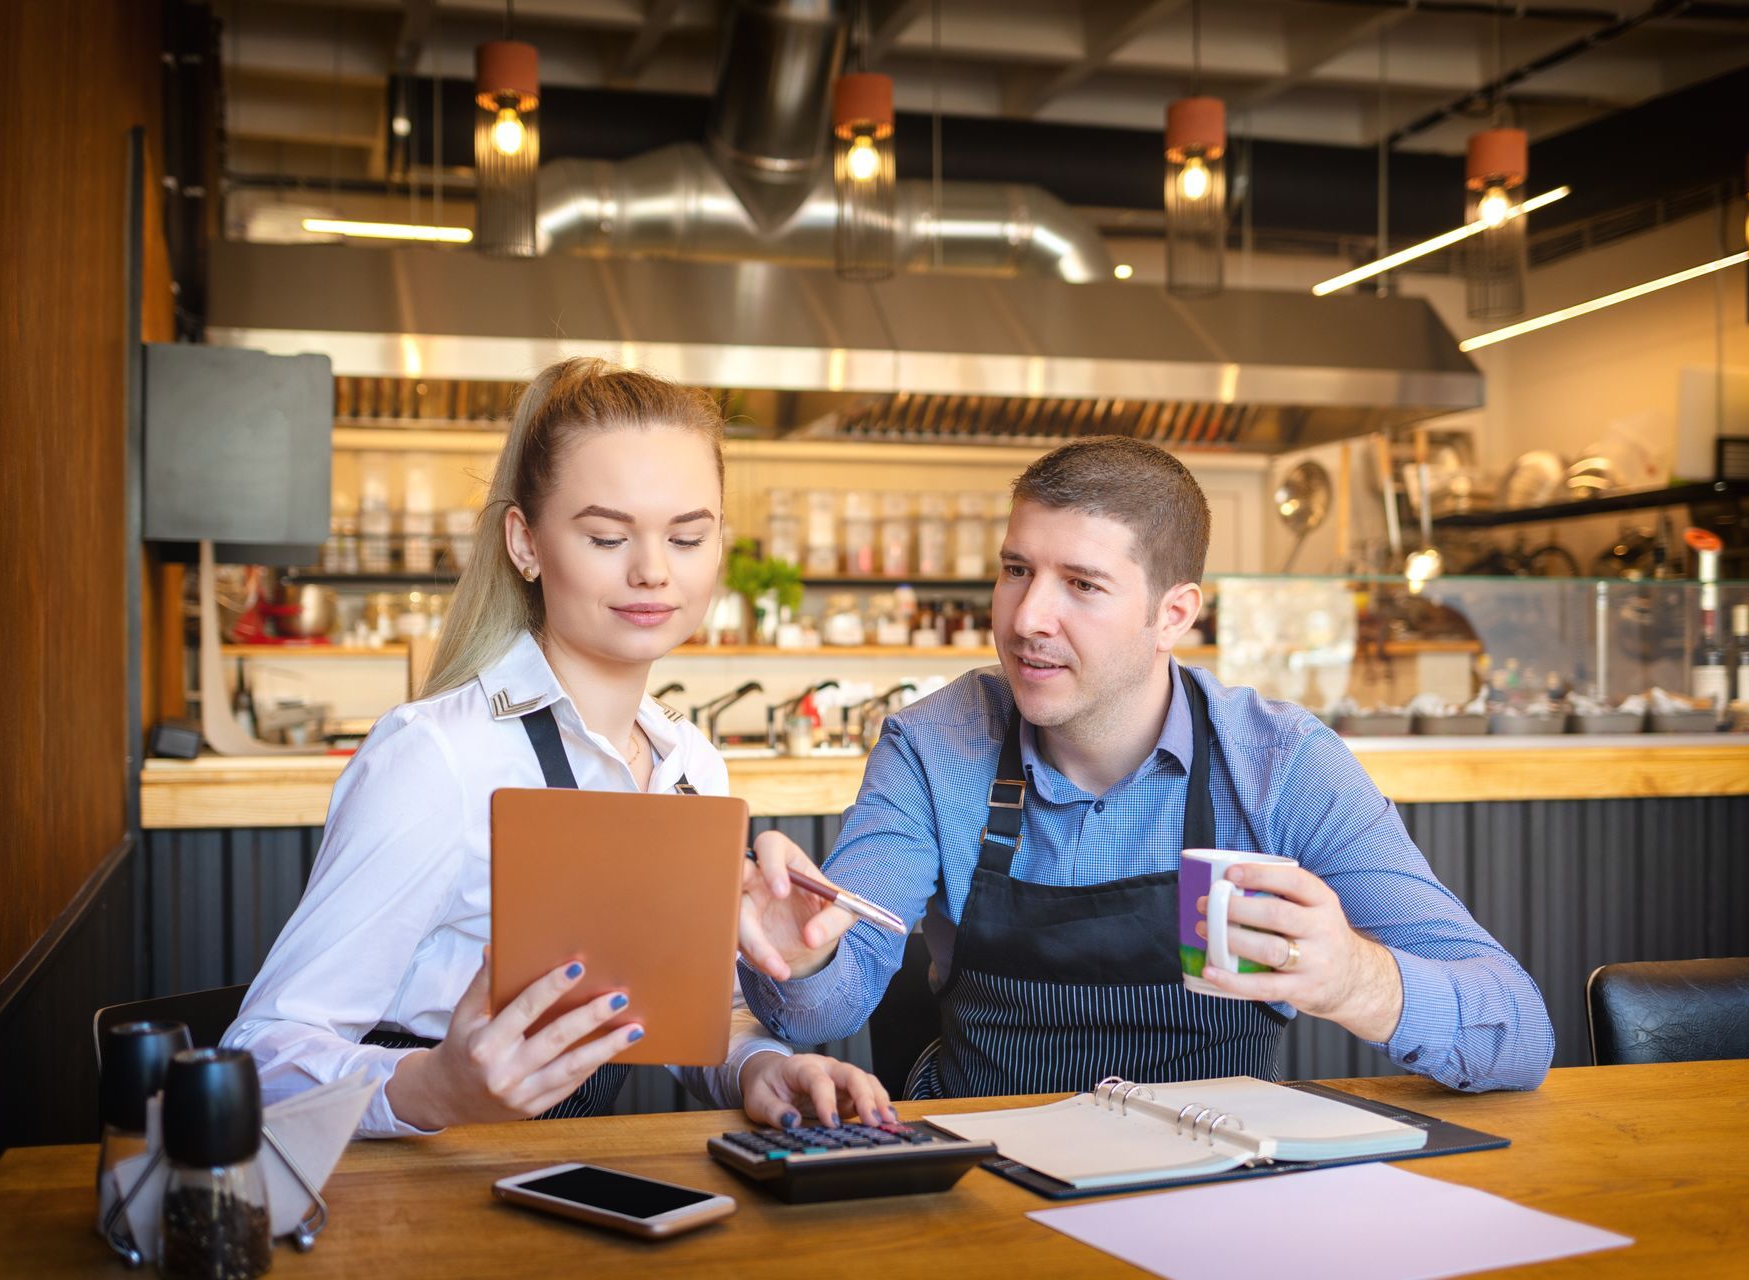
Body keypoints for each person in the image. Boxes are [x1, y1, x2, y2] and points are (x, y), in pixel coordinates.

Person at [740, 436, 1553, 1098]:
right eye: (1015, 570)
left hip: (1217, 1190)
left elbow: (1518, 1029)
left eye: (1081, 584)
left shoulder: (1280, 763)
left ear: (1174, 614)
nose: (1026, 619)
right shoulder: (933, 746)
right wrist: (801, 953)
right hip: (984, 1176)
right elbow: (824, 1007)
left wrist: (1355, 982)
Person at [224, 358, 890, 1136]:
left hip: (559, 1187)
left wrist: (764, 1066)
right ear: (526, 543)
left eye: (686, 536)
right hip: (414, 1206)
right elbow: (260, 1054)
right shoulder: (438, 757)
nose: (652, 571)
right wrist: (436, 1089)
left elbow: (678, 1017)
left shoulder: (688, 767)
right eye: (608, 536)